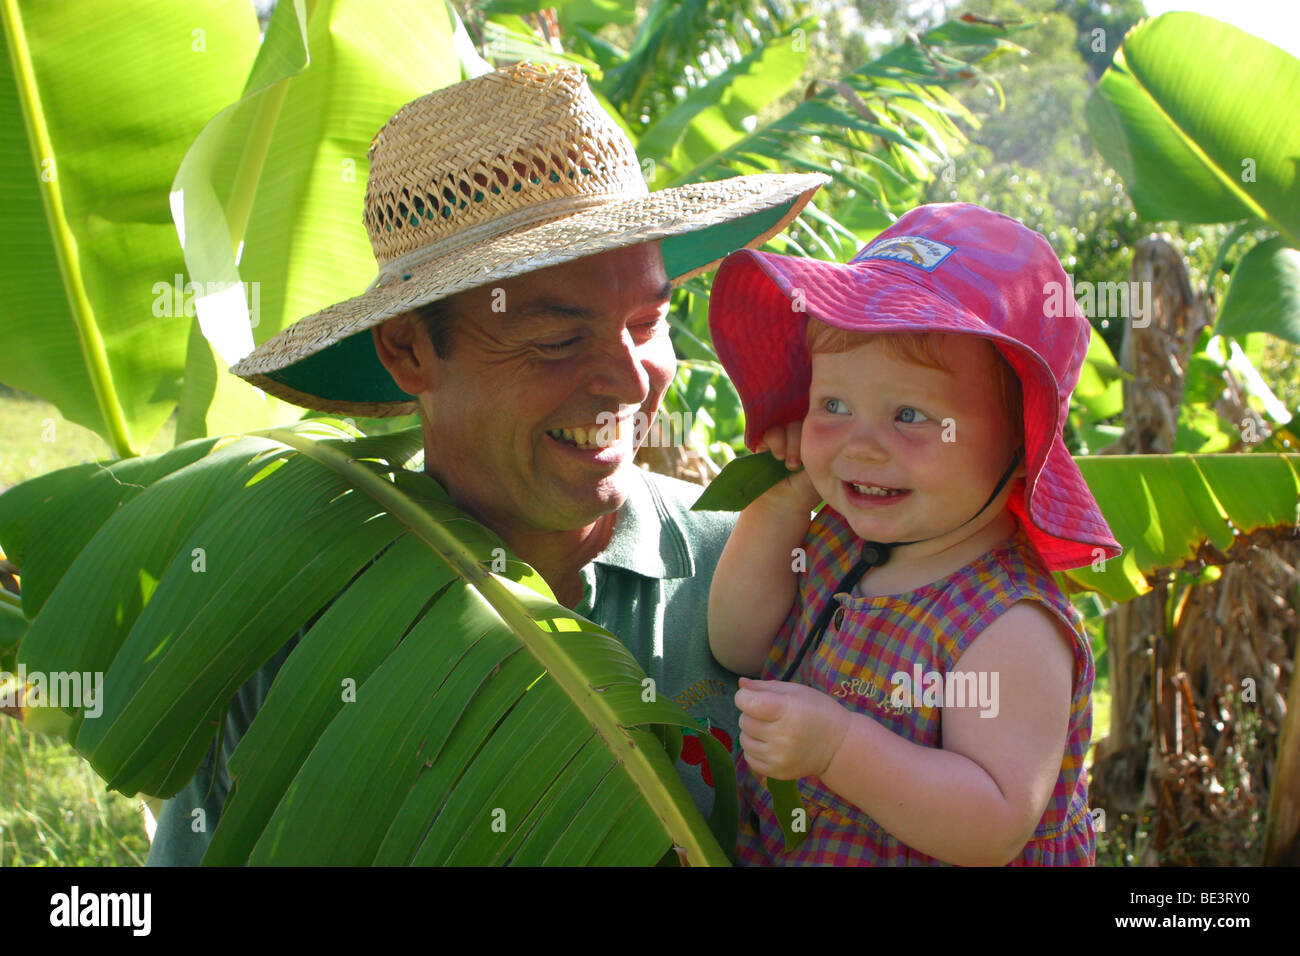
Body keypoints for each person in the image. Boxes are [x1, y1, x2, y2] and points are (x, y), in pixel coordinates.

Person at [146, 62, 825, 864]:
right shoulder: (292, 645)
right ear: (407, 351)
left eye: (647, 322)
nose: (631, 379)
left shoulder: (758, 576)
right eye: (557, 339)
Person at [705, 202, 1122, 866]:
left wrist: (838, 748)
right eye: (833, 405)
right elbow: (737, 644)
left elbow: (994, 820)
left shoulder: (1008, 624)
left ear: (1020, 444)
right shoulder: (836, 541)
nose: (860, 446)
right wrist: (780, 509)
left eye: (909, 415)